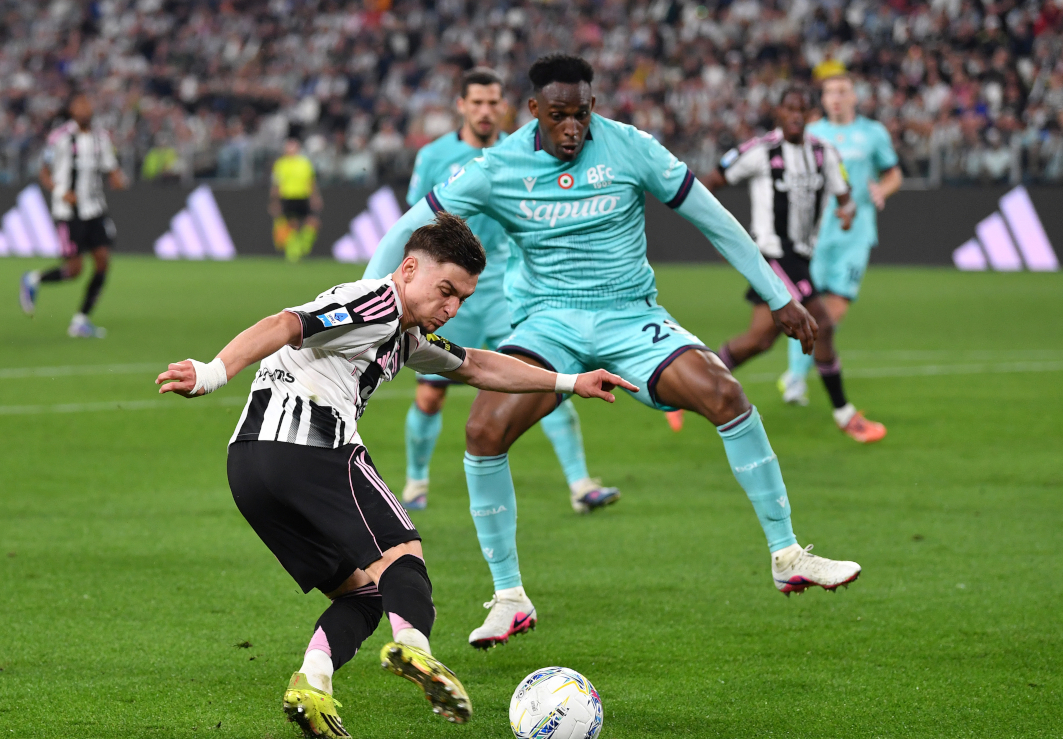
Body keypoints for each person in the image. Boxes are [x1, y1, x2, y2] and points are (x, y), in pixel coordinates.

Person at [366, 54, 863, 651]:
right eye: (558, 116)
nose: (572, 127)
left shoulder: (632, 148)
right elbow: (406, 228)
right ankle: (508, 598)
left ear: (593, 106)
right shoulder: (497, 167)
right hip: (549, 325)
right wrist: (373, 299)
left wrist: (777, 293)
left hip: (632, 317)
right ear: (533, 112)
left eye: (581, 113)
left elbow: (715, 217)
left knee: (724, 392)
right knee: (483, 431)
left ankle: (787, 554)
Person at [155, 212, 635, 739]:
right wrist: (211, 371)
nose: (451, 308)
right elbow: (286, 323)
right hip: (312, 446)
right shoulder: (378, 303)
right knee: (403, 556)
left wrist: (569, 380)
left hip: (249, 468)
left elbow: (475, 366)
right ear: (408, 269)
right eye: (445, 290)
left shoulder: (404, 333)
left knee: (361, 595)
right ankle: (415, 648)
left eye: (462, 299)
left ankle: (311, 683)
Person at [378, 67, 618, 515]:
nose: (487, 111)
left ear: (504, 107)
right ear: (462, 106)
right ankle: (414, 484)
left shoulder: (519, 151)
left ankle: (581, 484)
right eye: (478, 103)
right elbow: (413, 221)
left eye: (494, 102)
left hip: (506, 288)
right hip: (448, 293)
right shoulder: (433, 156)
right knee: (431, 393)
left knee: (545, 380)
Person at [701, 85, 887, 444]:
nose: (796, 116)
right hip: (772, 255)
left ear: (810, 115)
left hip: (801, 256)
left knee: (758, 340)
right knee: (823, 325)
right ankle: (845, 415)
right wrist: (719, 234)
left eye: (802, 109)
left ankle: (688, 384)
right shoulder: (760, 151)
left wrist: (847, 215)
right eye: (789, 109)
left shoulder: (824, 154)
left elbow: (845, 198)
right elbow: (712, 181)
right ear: (779, 113)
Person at [779, 70, 903, 405]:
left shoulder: (873, 134)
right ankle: (795, 378)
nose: (835, 97)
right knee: (804, 307)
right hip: (814, 235)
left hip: (856, 233)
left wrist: (882, 190)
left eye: (842, 91)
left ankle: (800, 370)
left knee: (834, 311)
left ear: (854, 97)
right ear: (822, 99)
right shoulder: (811, 133)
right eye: (829, 92)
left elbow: (894, 174)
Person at [18, 92, 126, 337]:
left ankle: (80, 320)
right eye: (80, 105)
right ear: (72, 110)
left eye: (88, 104)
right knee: (75, 269)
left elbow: (112, 169)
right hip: (69, 212)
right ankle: (34, 279)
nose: (85, 108)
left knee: (102, 261)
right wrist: (61, 191)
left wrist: (119, 180)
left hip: (95, 209)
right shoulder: (60, 138)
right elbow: (44, 173)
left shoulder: (101, 137)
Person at [270, 136, 323, 263]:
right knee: (291, 224)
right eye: (288, 146)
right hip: (288, 197)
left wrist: (315, 197)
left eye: (292, 146)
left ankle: (303, 245)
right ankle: (293, 253)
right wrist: (274, 201)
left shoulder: (304, 163)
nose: (290, 149)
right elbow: (276, 184)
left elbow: (311, 182)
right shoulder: (281, 164)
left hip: (303, 197)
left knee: (313, 222)